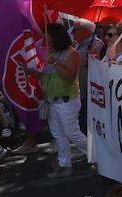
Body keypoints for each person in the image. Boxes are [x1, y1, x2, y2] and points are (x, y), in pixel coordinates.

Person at [24, 23, 88, 178]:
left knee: (71, 132)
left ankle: (96, 155)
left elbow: (70, 77)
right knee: (58, 134)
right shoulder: (51, 53)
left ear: (57, 37)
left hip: (67, 101)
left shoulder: (71, 53)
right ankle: (64, 165)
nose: (46, 41)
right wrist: (33, 72)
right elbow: (49, 75)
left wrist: (55, 62)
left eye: (49, 38)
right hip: (52, 101)